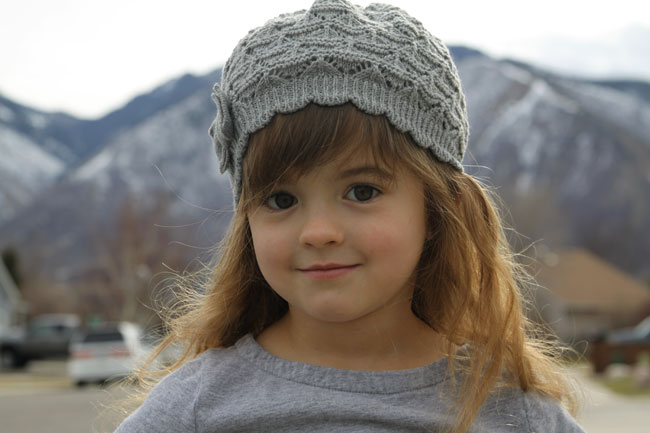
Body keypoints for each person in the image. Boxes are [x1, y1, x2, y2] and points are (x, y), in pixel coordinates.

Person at [115, 0, 586, 432]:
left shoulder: (515, 414)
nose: (319, 232)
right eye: (281, 200)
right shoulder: (193, 411)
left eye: (362, 191)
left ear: (441, 207)